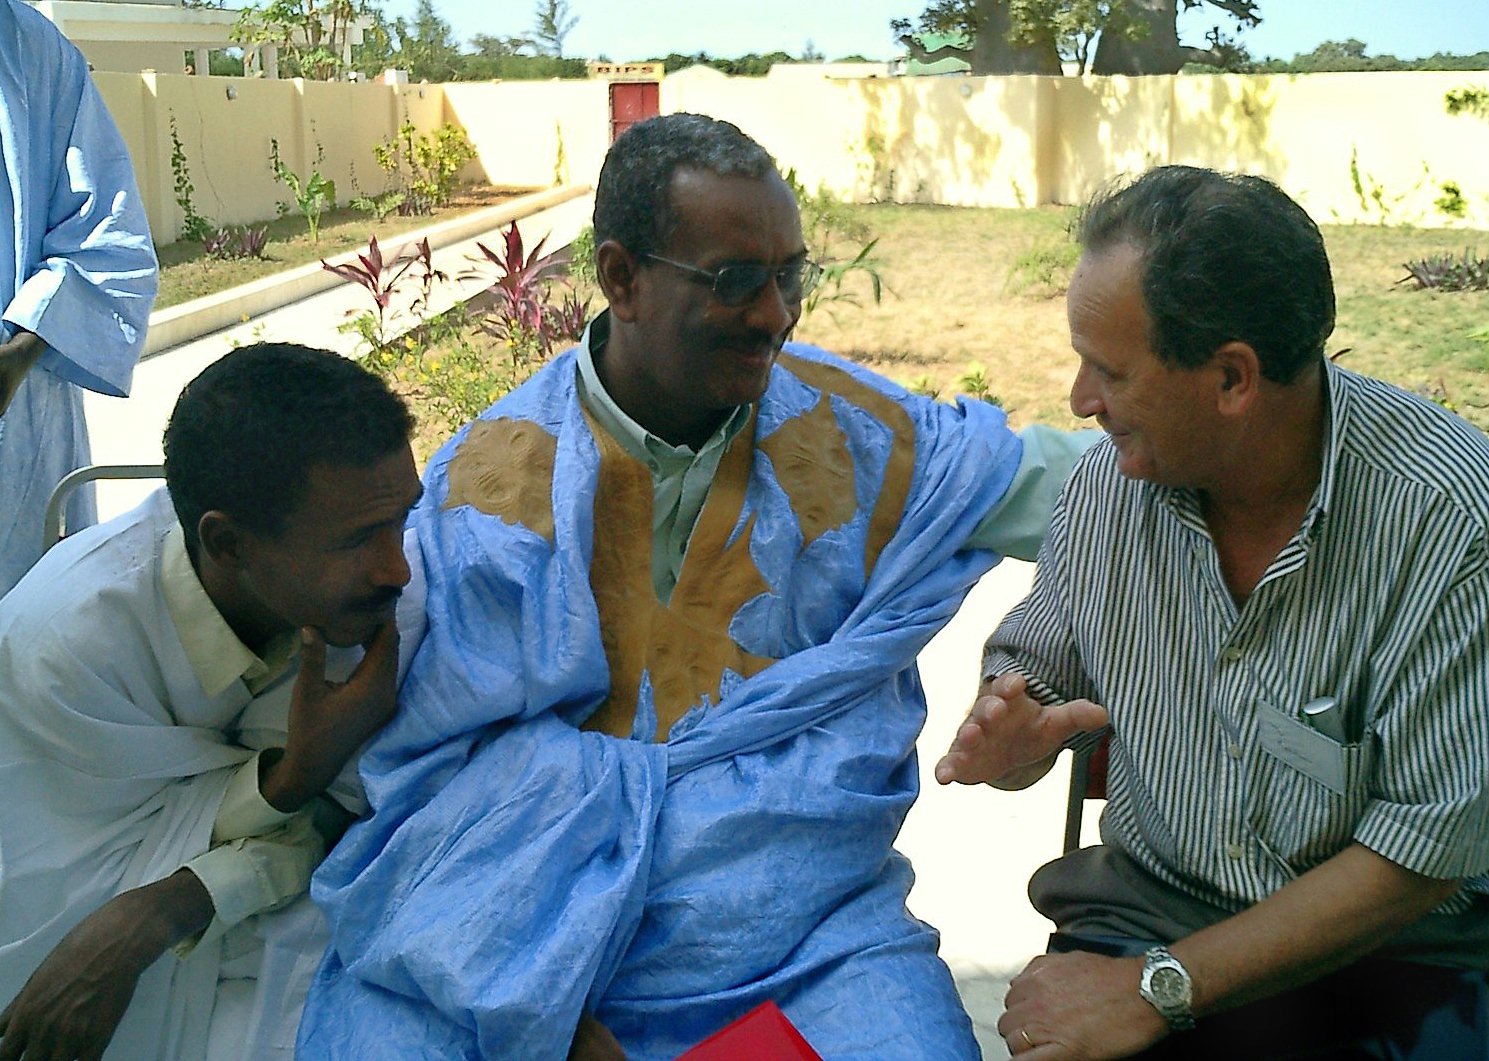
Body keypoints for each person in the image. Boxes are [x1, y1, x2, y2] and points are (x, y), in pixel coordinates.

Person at [297, 113, 1095, 1059]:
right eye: (734, 282)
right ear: (621, 277)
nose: (775, 313)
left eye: (790, 275)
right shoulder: (492, 482)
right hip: (524, 917)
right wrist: (534, 996)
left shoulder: (860, 431)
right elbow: (435, 770)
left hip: (808, 933)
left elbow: (1089, 483)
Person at [937, 166, 1489, 1059]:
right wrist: (1012, 733)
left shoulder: (1450, 521)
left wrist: (1159, 988)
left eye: (1108, 370)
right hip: (1149, 904)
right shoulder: (1107, 491)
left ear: (1231, 378)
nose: (1079, 400)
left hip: (1396, 948)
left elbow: (1421, 852)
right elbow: (1035, 674)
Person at [0, 344, 422, 1061]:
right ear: (226, 543)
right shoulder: (66, 648)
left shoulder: (377, 610)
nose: (399, 567)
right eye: (357, 540)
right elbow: (54, 926)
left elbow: (384, 815)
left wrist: (173, 901)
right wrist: (291, 781)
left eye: (402, 520)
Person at [0, 0, 158, 598]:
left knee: (26, 654)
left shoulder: (30, 52)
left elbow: (106, 237)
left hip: (17, 430)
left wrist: (21, 352)